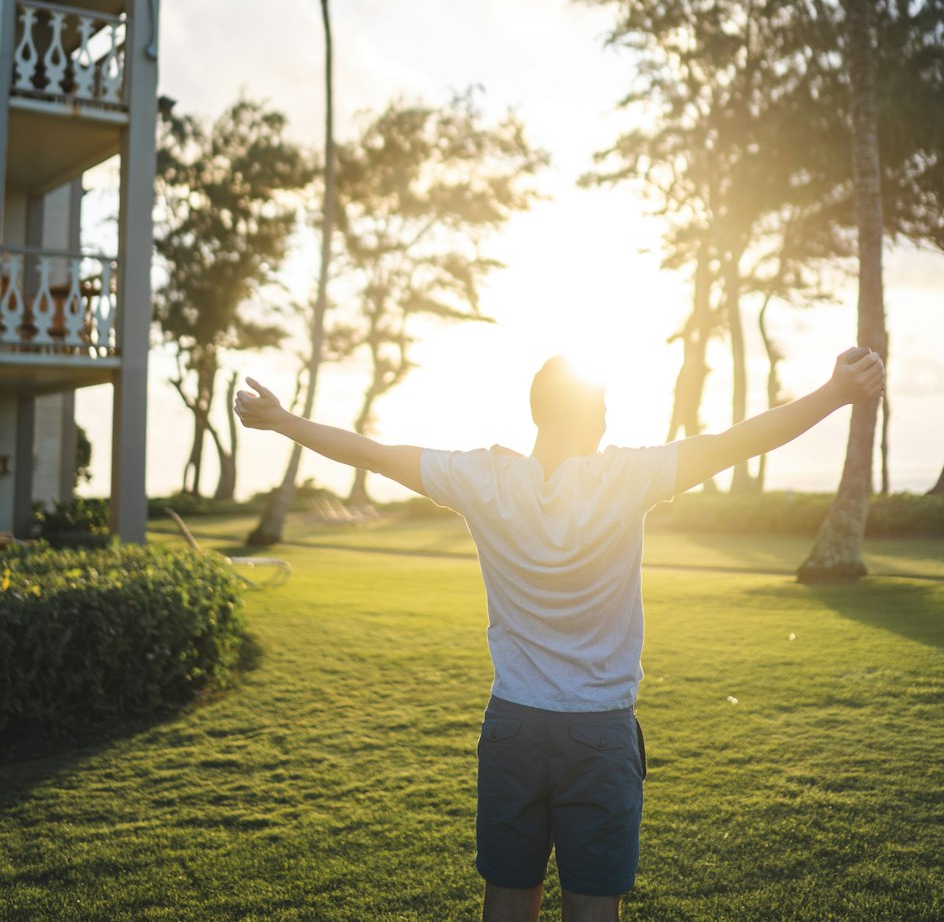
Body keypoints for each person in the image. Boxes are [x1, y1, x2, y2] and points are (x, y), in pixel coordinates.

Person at [235, 344, 884, 922]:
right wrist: (834, 393)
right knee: (594, 904)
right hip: (598, 731)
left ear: (537, 412)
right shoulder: (624, 477)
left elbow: (374, 453)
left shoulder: (483, 477)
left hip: (513, 727)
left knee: (509, 899)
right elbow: (738, 441)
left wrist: (283, 420)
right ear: (595, 417)